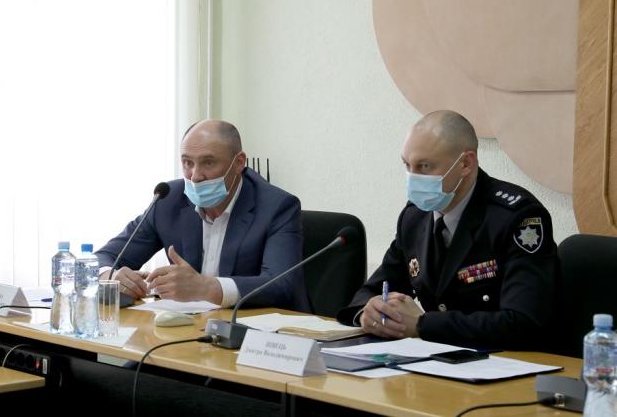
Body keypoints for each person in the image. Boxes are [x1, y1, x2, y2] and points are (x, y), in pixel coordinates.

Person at [337, 110, 557, 349]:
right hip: (435, 359)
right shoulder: (415, 217)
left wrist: (422, 325)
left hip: (505, 361)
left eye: (424, 166)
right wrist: (367, 312)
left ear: (465, 164)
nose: (413, 178)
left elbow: (522, 322)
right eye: (407, 165)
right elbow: (374, 289)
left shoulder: (516, 217)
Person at [96, 119, 309, 311]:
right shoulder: (168, 200)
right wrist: (110, 276)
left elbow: (282, 285)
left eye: (208, 162)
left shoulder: (277, 207)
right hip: (190, 329)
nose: (195, 176)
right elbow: (104, 257)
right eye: (187, 163)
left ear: (238, 163)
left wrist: (206, 288)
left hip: (255, 331)